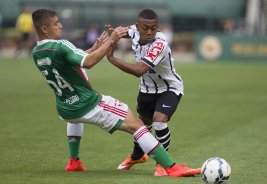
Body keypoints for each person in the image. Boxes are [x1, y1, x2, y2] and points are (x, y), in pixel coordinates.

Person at [31, 9, 200, 177]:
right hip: (88, 103)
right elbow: (87, 62)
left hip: (65, 109)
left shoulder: (36, 53)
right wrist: (110, 42)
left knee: (76, 119)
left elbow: (73, 59)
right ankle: (170, 167)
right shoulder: (61, 45)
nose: (60, 25)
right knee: (138, 126)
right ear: (45, 29)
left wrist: (96, 47)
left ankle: (74, 162)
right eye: (56, 23)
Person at [106, 9, 199, 177]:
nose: (149, 32)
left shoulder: (160, 44)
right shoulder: (133, 31)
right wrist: (112, 34)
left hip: (169, 87)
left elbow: (139, 70)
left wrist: (112, 59)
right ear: (137, 26)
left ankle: (162, 165)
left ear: (158, 27)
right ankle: (137, 156)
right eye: (145, 28)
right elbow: (121, 33)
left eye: (154, 28)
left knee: (159, 121)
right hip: (147, 88)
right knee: (142, 125)